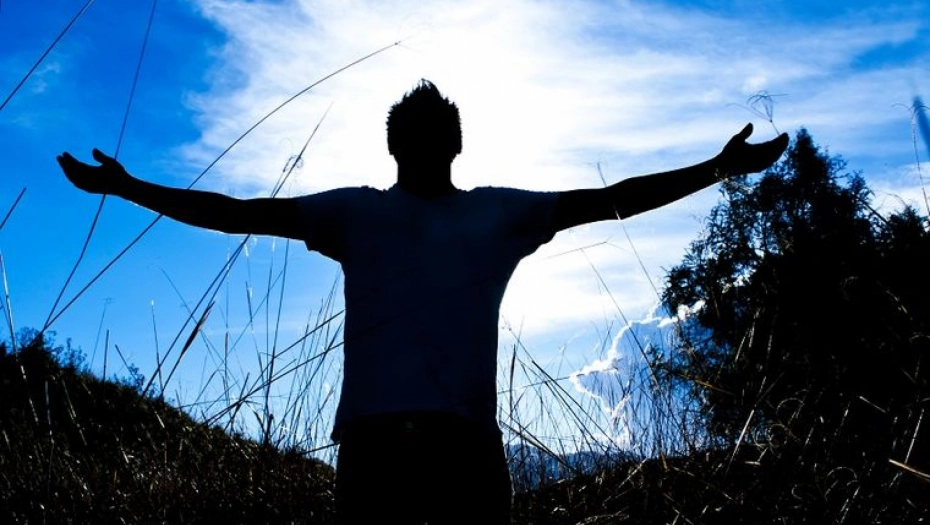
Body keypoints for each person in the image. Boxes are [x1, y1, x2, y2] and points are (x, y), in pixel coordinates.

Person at [58, 80, 789, 524]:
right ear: (451, 143)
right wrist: (717, 168)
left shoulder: (373, 213)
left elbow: (234, 213)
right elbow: (614, 200)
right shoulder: (471, 214)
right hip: (433, 448)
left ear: (397, 146)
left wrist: (128, 187)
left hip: (403, 448)